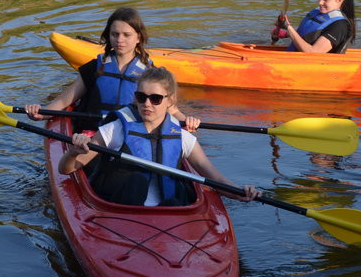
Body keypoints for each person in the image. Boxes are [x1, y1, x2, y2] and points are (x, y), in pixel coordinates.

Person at [58, 67, 260, 206]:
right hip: (122, 210)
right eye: (141, 97)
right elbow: (66, 169)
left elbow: (215, 178)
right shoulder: (115, 129)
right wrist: (73, 153)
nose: (147, 104)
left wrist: (242, 193)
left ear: (170, 101)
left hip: (169, 214)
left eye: (155, 99)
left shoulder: (183, 138)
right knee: (136, 180)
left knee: (176, 199)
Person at [25, 7, 198, 132]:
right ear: (108, 36)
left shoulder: (150, 73)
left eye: (127, 35)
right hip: (92, 135)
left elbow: (170, 108)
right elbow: (64, 101)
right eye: (115, 34)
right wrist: (41, 113)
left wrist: (187, 121)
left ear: (138, 37)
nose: (119, 40)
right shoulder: (95, 67)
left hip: (130, 134)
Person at [271, 0, 356, 54]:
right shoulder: (317, 13)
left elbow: (313, 52)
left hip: (308, 64)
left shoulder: (340, 26)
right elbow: (307, 36)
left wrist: (289, 27)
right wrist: (286, 33)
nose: (320, 2)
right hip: (292, 57)